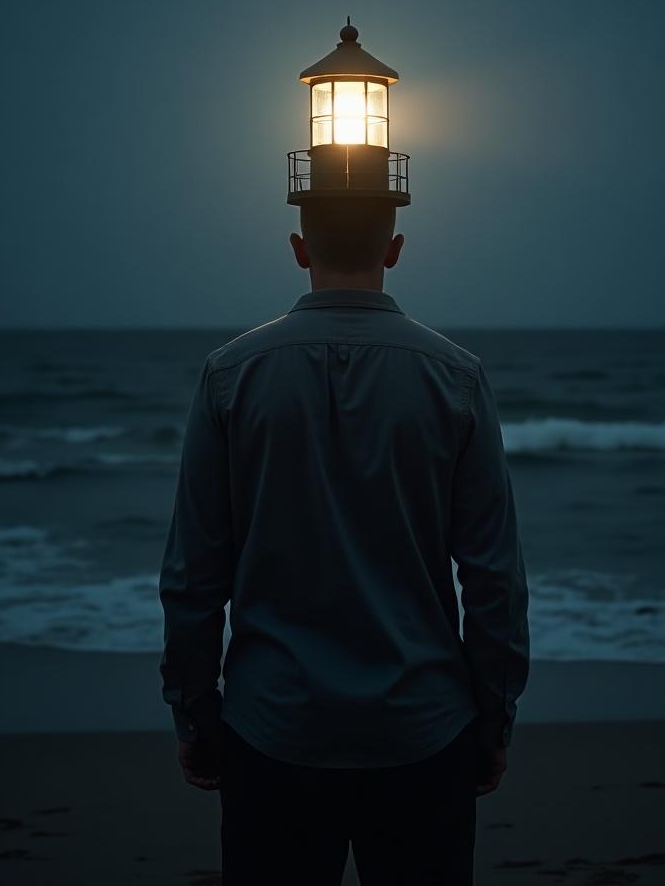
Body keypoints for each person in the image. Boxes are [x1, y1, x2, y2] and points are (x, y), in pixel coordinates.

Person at [158, 199, 530, 885]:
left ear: (300, 248)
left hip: (273, 724)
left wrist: (195, 713)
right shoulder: (457, 377)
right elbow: (494, 576)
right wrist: (494, 717)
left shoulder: (230, 374)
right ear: (395, 247)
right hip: (424, 724)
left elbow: (193, 573)